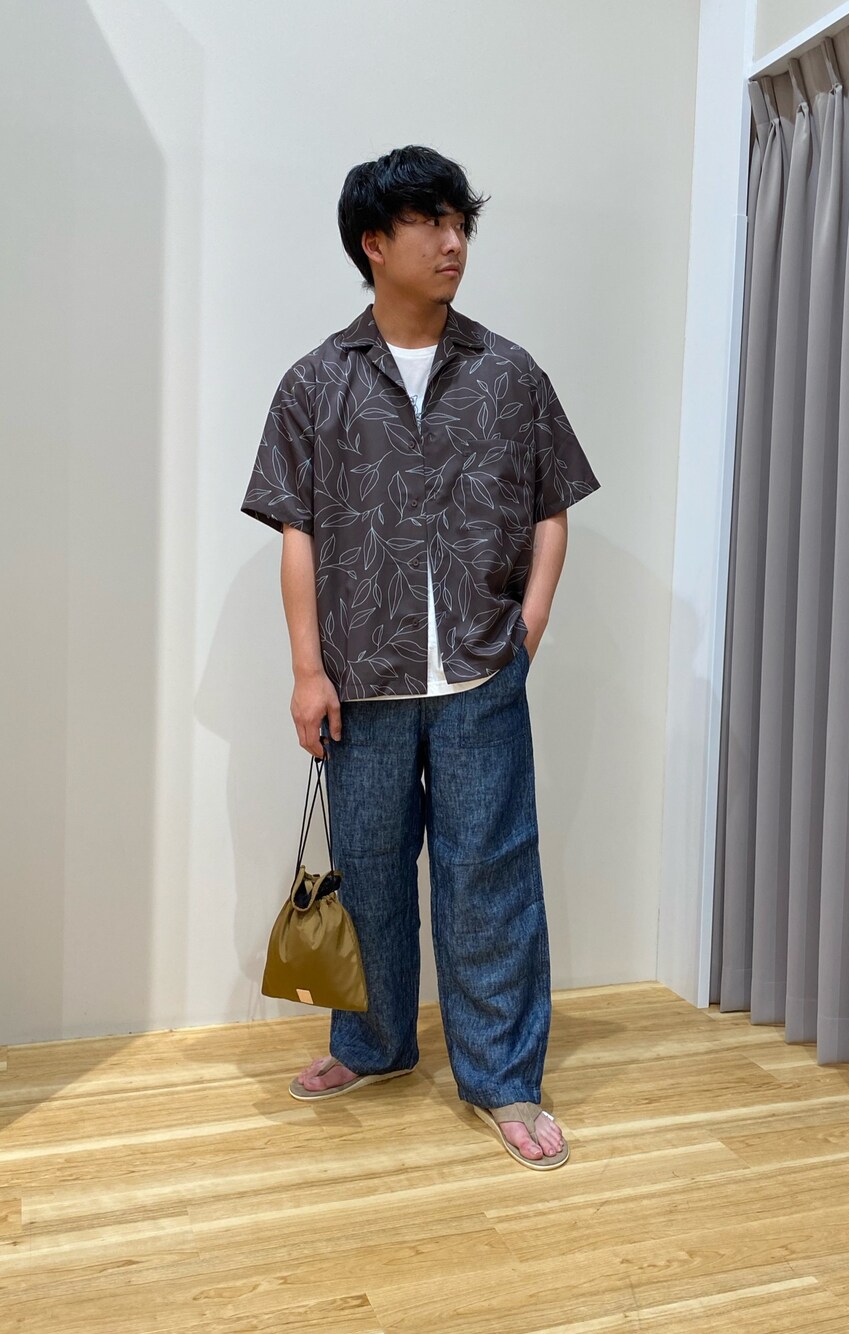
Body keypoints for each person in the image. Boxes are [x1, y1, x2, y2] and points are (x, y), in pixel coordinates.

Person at [242, 145, 600, 1169]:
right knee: (367, 876)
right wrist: (306, 670)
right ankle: (373, 1044)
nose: (453, 243)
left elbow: (551, 505)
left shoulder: (509, 374)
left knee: (492, 876)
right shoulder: (317, 382)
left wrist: (529, 625)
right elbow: (299, 531)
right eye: (431, 223)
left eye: (460, 224)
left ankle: (503, 1077)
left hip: (482, 674)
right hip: (362, 679)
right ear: (374, 241)